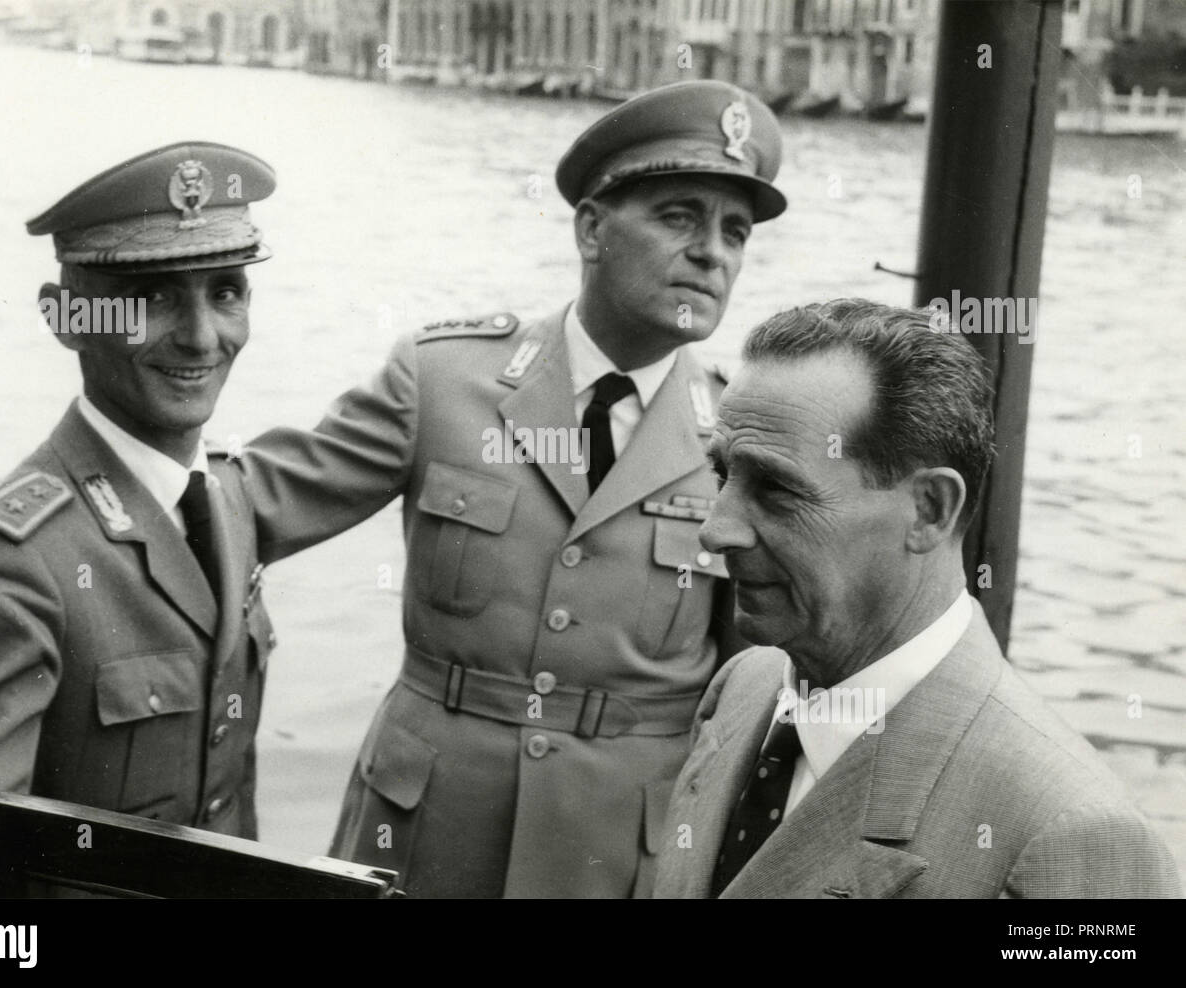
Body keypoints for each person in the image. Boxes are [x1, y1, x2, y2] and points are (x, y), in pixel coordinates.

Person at [238, 81, 789, 897]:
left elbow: (763, 680)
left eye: (735, 232)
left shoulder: (743, 439)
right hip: (427, 835)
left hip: (618, 861)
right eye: (680, 217)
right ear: (592, 230)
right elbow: (245, 508)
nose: (713, 252)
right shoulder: (443, 380)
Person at [655, 299, 1182, 898]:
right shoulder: (743, 688)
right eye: (723, 474)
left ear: (930, 510)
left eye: (776, 489)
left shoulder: (1068, 836)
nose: (716, 530)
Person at [0, 142, 279, 838]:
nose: (200, 337)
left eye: (225, 292)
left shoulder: (222, 498)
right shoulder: (14, 559)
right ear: (66, 319)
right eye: (150, 299)